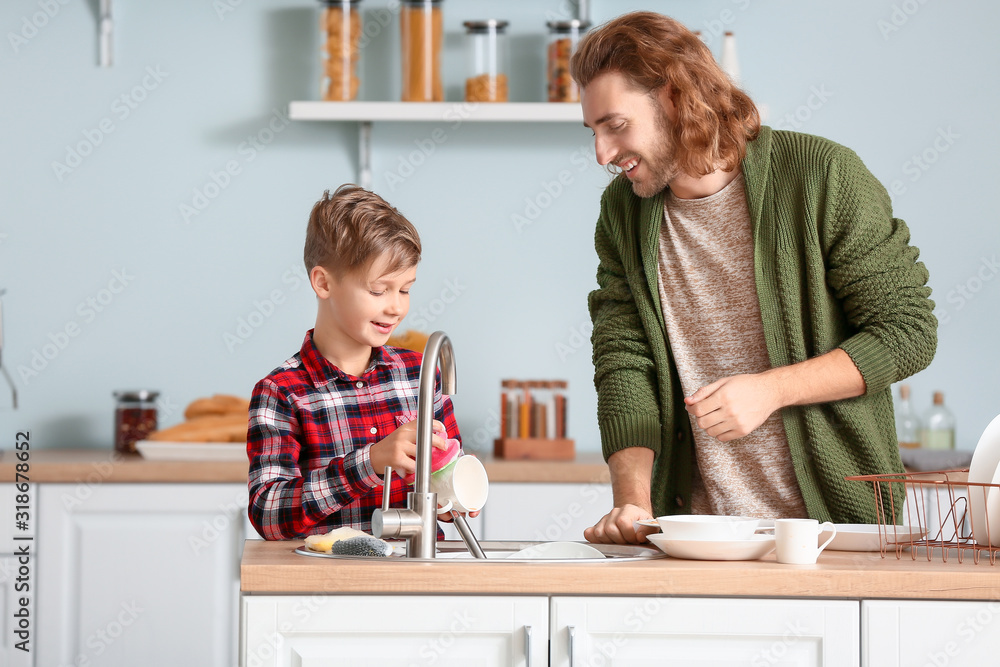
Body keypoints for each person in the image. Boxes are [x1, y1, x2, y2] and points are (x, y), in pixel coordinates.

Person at [572, 12, 937, 544]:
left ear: (673, 97)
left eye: (616, 125)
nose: (602, 153)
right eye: (594, 131)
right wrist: (633, 501)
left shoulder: (822, 176)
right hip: (695, 537)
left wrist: (771, 390)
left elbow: (908, 331)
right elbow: (624, 360)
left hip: (834, 534)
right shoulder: (623, 213)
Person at [247, 184, 464, 540]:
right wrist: (371, 462)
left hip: (417, 585)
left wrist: (456, 492)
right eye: (378, 291)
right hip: (328, 589)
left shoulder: (418, 375)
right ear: (323, 283)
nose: (396, 307)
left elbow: (449, 497)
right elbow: (269, 513)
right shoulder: (282, 393)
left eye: (405, 289)